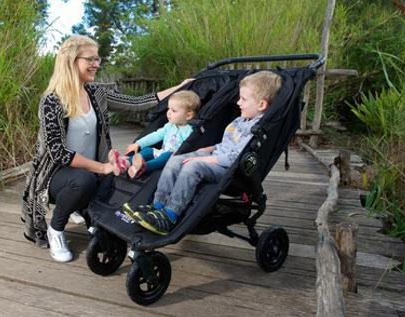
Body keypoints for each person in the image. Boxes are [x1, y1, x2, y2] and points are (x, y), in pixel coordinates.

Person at [21, 35, 192, 262]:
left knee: (119, 179)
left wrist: (179, 88)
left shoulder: (95, 92)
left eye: (98, 58)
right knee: (84, 181)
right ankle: (56, 229)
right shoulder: (52, 100)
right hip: (54, 174)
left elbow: (138, 102)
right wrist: (102, 167)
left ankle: (82, 209)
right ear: (71, 61)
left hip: (89, 167)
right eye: (90, 59)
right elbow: (57, 152)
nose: (97, 64)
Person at [122, 71, 282, 235]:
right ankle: (158, 206)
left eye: (244, 99)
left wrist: (207, 159)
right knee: (175, 159)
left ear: (261, 105)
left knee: (193, 167)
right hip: (215, 156)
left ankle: (170, 215)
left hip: (229, 168)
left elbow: (237, 156)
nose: (238, 102)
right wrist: (209, 149)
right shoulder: (240, 120)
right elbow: (227, 144)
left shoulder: (257, 129)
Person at [108, 90, 201, 179]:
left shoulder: (190, 130)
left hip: (173, 158)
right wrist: (139, 143)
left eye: (174, 110)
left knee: (166, 156)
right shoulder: (170, 126)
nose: (168, 113)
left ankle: (143, 167)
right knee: (148, 150)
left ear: (188, 115)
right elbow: (156, 135)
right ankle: (125, 163)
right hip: (162, 152)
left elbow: (189, 147)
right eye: (168, 108)